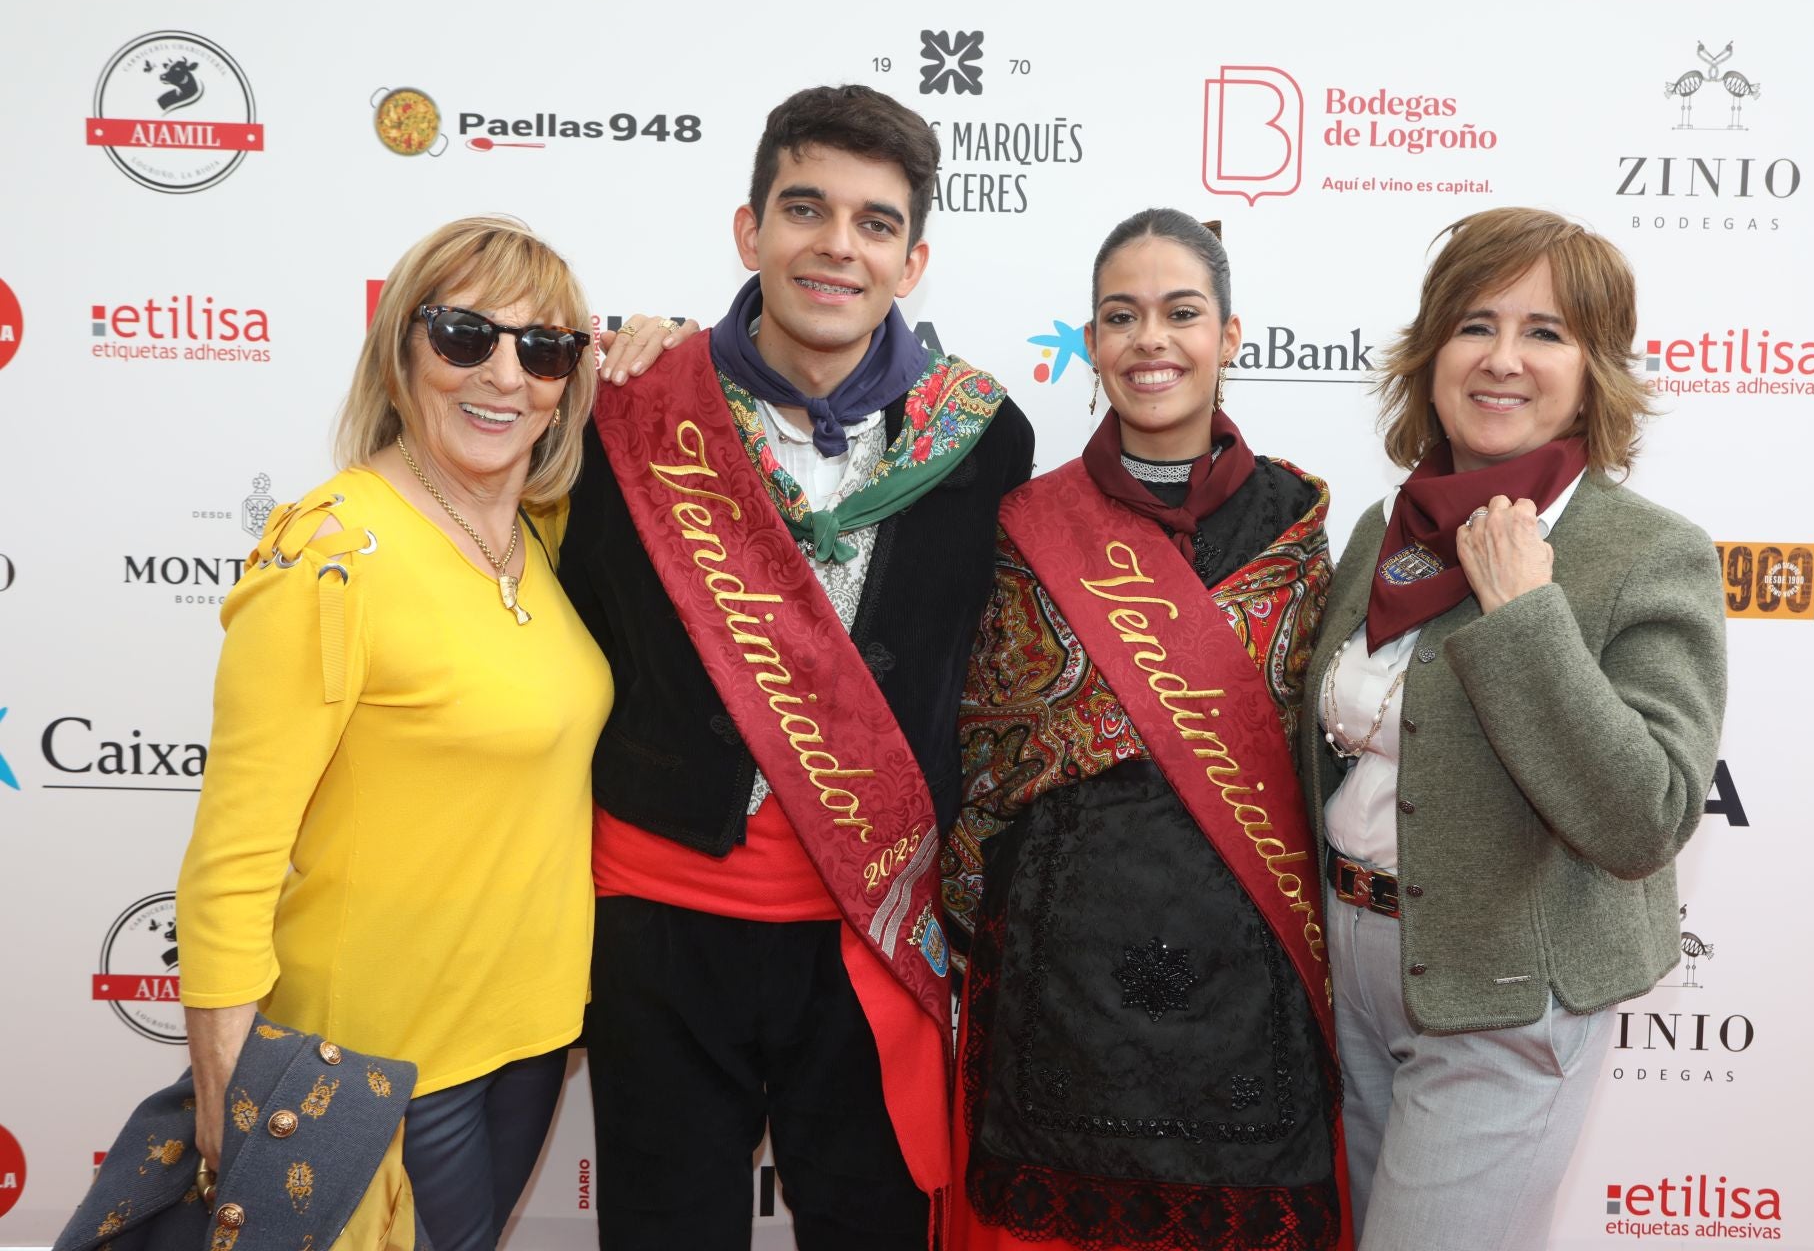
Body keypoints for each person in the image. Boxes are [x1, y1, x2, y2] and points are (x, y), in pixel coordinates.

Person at [559, 84, 1034, 1249]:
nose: (837, 245)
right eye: (805, 209)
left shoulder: (983, 438)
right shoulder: (632, 406)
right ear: (748, 229)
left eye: (875, 223)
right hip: (660, 923)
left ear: (913, 259)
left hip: (867, 925)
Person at [175, 215, 613, 1251]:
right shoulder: (331, 554)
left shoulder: (540, 537)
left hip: (536, 1033)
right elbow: (232, 858)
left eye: (543, 349)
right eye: (465, 335)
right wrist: (227, 1094)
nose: (505, 375)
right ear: (400, 348)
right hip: (375, 1055)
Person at [1298, 207, 1728, 1250]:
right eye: (1475, 324)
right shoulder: (1385, 529)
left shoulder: (1648, 551)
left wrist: (1527, 613)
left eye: (1546, 332)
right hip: (1346, 966)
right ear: (1431, 352)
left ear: (1594, 371)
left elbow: (1645, 817)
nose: (1503, 358)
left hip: (1506, 989)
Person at [942, 208, 1345, 1251]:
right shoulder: (1028, 523)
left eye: (1181, 312)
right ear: (1091, 340)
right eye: (1120, 316)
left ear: (1232, 334)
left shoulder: (1296, 526)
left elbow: (1317, 754)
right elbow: (987, 746)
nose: (1150, 340)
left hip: (1247, 963)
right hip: (1058, 962)